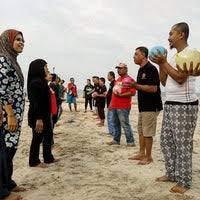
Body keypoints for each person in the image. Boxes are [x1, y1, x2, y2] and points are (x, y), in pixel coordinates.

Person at [150, 22, 199, 194]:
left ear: (181, 35)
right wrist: (160, 63)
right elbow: (163, 81)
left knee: (182, 144)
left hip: (185, 106)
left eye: (171, 33)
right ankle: (171, 173)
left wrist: (164, 63)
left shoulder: (189, 54)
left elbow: (180, 78)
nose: (168, 37)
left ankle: (184, 181)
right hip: (170, 104)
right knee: (166, 141)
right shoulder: (171, 57)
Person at [0, 29, 25, 195]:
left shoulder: (11, 60)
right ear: (8, 42)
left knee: (11, 148)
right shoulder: (3, 60)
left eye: (23, 40)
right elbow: (1, 89)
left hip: (15, 114)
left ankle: (8, 182)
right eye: (17, 39)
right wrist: (9, 114)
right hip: (8, 115)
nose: (21, 42)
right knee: (5, 150)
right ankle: (2, 189)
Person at [128, 46, 162, 165]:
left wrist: (136, 86)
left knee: (148, 132)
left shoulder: (151, 69)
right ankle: (141, 153)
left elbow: (153, 88)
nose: (134, 56)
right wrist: (133, 85)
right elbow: (141, 86)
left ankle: (149, 157)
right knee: (141, 130)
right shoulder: (140, 69)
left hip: (151, 106)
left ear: (143, 55)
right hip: (143, 106)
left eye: (136, 54)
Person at [27, 59, 56, 167]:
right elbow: (36, 103)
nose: (47, 69)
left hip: (45, 115)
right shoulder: (35, 83)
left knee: (48, 135)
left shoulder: (42, 82)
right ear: (39, 68)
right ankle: (34, 161)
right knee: (37, 138)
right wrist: (39, 119)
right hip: (38, 116)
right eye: (45, 67)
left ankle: (48, 158)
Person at [107, 63, 136, 146]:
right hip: (115, 105)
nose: (118, 70)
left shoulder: (130, 79)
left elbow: (133, 92)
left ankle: (130, 142)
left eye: (120, 68)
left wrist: (121, 95)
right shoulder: (118, 79)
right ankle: (116, 140)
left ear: (126, 69)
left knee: (125, 124)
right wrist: (111, 104)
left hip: (123, 106)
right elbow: (114, 93)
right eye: (118, 68)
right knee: (115, 123)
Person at [106, 71, 115, 136]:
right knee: (109, 118)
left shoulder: (114, 83)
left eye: (108, 75)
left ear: (111, 76)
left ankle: (112, 133)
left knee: (111, 119)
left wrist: (111, 103)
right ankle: (111, 132)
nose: (107, 77)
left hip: (112, 104)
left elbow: (114, 94)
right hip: (110, 103)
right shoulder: (111, 83)